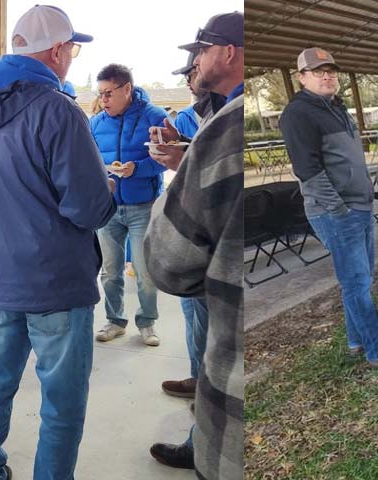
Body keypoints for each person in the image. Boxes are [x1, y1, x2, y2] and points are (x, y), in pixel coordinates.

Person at [0, 5, 116, 480]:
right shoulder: (58, 110)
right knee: (62, 403)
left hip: (0, 279)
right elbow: (87, 209)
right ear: (56, 51)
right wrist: (106, 187)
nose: (73, 55)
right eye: (72, 47)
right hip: (56, 284)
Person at [145, 12, 244, 478]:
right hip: (215, 281)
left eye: (200, 51)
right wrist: (186, 157)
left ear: (227, 53)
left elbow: (166, 260)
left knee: (210, 349)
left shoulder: (227, 122)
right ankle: (196, 433)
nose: (193, 65)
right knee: (200, 345)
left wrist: (186, 172)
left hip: (214, 285)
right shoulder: (215, 117)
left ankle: (198, 441)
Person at [279, 47, 378, 372]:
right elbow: (308, 171)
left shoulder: (336, 107)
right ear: (302, 77)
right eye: (318, 71)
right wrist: (339, 209)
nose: (327, 75)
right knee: (356, 282)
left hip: (358, 205)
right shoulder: (298, 114)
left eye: (331, 70)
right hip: (338, 212)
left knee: (360, 278)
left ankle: (356, 340)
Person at [159, 50, 226, 401]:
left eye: (195, 70)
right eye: (187, 74)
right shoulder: (204, 113)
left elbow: (217, 176)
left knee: (207, 318)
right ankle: (197, 378)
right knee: (195, 316)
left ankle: (207, 397)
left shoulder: (227, 112)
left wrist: (181, 159)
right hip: (199, 233)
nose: (190, 79)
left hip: (211, 237)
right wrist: (181, 146)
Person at [89, 63, 169, 347]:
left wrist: (138, 169)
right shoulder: (95, 123)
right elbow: (88, 161)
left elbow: (165, 159)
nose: (104, 100)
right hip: (108, 209)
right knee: (110, 271)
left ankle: (147, 323)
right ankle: (115, 321)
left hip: (143, 207)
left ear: (127, 89)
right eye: (100, 94)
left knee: (145, 271)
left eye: (109, 93)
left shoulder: (155, 117)